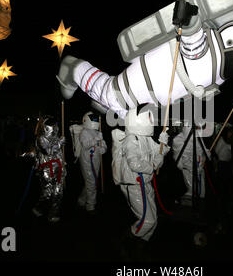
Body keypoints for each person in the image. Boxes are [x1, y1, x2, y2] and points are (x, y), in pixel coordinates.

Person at [112, 104, 169, 260]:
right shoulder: (131, 138)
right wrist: (152, 166)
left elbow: (158, 155)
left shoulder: (145, 137)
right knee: (148, 220)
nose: (151, 120)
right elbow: (134, 164)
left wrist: (163, 144)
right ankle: (122, 241)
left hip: (145, 184)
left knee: (153, 220)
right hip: (134, 185)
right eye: (148, 117)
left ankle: (139, 248)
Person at [24, 117, 67, 223]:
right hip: (46, 169)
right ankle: (38, 209)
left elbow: (59, 154)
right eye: (52, 126)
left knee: (58, 192)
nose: (54, 128)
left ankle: (53, 214)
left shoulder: (57, 138)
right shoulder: (40, 138)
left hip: (58, 168)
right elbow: (48, 151)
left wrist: (63, 165)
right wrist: (59, 144)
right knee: (47, 193)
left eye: (55, 126)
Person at [76, 111, 107, 214]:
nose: (95, 120)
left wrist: (103, 147)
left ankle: (81, 199)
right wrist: (96, 140)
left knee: (91, 181)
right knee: (91, 181)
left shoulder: (98, 132)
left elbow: (103, 146)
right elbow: (85, 145)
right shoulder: (84, 132)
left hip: (96, 159)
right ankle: (90, 204)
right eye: (92, 118)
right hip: (87, 159)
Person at [172, 123, 209, 206]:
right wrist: (195, 169)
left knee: (200, 192)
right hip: (188, 171)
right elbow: (182, 160)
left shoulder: (197, 137)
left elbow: (202, 151)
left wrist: (205, 156)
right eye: (198, 128)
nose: (200, 130)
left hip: (198, 168)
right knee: (192, 191)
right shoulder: (179, 140)